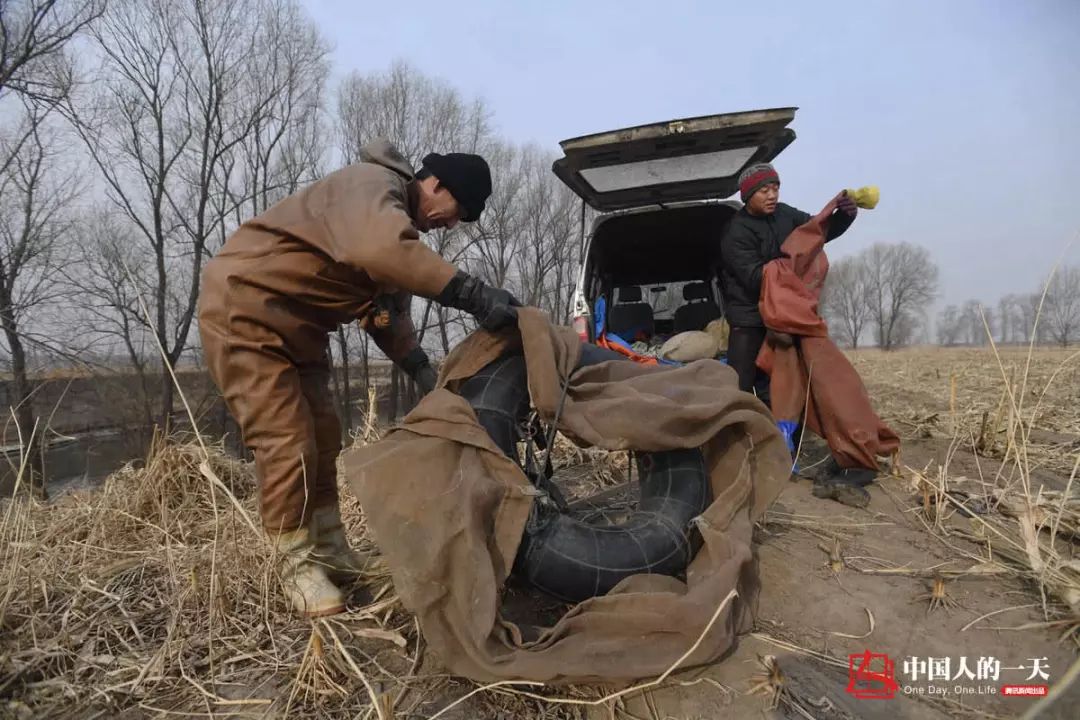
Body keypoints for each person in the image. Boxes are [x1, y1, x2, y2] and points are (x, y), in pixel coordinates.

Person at [197, 138, 520, 617]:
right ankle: (294, 564)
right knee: (288, 442)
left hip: (300, 331)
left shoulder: (394, 223)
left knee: (325, 438)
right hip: (245, 312)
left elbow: (387, 315)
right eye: (458, 210)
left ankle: (330, 549)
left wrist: (428, 376)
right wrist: (472, 294)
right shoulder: (373, 186)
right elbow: (382, 248)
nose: (452, 224)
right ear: (434, 184)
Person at [718, 162, 858, 408]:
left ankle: (788, 439)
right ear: (748, 195)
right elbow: (754, 277)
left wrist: (844, 215)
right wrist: (792, 271)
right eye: (764, 190)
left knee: (788, 382)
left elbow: (817, 231)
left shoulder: (785, 214)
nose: (772, 195)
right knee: (740, 386)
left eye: (775, 188)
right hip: (749, 320)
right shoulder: (735, 232)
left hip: (784, 316)